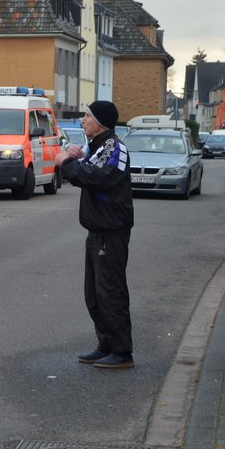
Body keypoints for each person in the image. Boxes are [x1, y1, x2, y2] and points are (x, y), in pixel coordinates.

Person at [54, 100, 135, 370]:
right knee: (95, 295)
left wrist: (65, 162)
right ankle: (106, 344)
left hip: (110, 233)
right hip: (97, 232)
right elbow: (86, 167)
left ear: (100, 121)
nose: (82, 120)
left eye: (87, 116)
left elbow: (92, 176)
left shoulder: (114, 147)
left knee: (110, 291)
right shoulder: (97, 146)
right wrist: (74, 155)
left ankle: (122, 351)